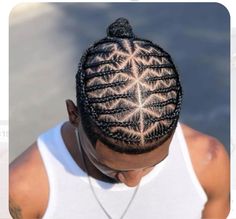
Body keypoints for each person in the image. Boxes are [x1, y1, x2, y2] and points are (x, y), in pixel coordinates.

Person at [9, 18, 230, 219]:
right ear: (74, 115)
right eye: (112, 167)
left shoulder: (207, 161)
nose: (133, 182)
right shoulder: (22, 192)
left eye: (152, 165)